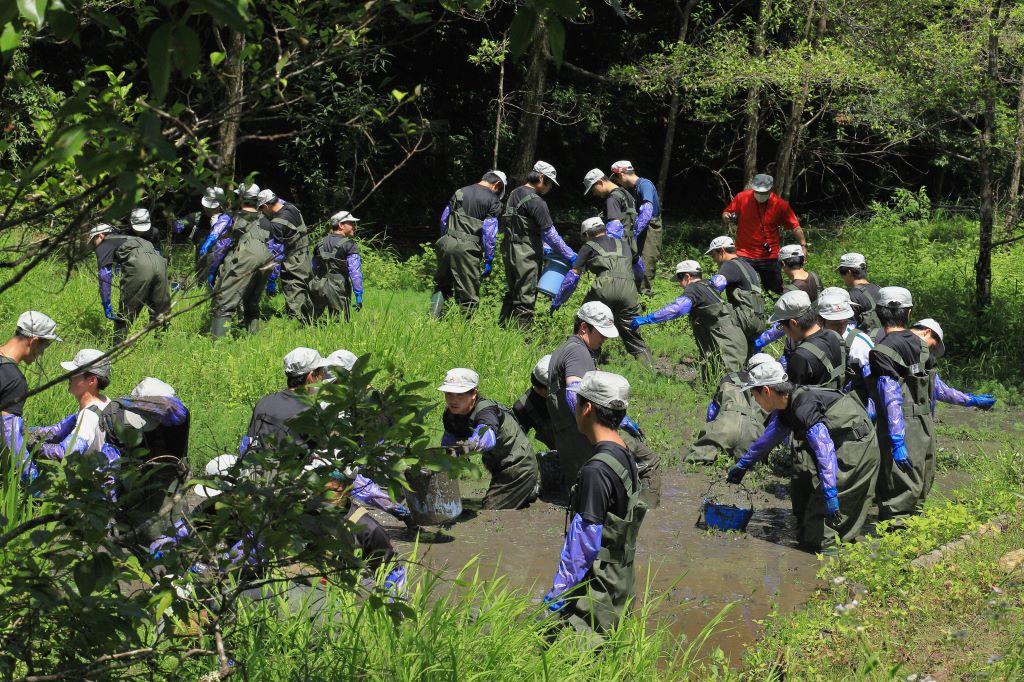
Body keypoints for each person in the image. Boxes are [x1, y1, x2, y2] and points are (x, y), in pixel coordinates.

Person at [869, 289, 997, 526]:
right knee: (919, 482)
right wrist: (970, 400)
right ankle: (907, 534)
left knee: (899, 484)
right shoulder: (920, 346)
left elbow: (891, 395)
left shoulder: (880, 347)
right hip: (919, 424)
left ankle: (895, 535)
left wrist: (896, 439)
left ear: (879, 312)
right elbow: (935, 387)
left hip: (900, 423)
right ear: (908, 313)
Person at [725, 358, 879, 552]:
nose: (753, 400)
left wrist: (830, 493)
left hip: (857, 447)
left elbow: (824, 449)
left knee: (823, 530)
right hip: (842, 443)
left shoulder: (802, 407)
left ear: (766, 390)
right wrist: (743, 464)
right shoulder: (787, 404)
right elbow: (769, 438)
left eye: (753, 394)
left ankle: (833, 567)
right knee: (810, 531)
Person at [542, 370, 648, 637]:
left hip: (596, 588)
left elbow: (584, 541)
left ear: (586, 407)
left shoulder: (597, 470)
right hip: (620, 580)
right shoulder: (624, 455)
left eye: (576, 403)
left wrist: (558, 592)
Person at [517, 353, 661, 506]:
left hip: (582, 460)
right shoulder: (529, 407)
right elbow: (518, 451)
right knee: (649, 461)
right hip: (586, 454)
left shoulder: (528, 405)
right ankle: (644, 510)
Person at [550, 217, 652, 365]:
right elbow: (639, 269)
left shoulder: (589, 246)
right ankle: (649, 372)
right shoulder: (625, 244)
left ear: (586, 235)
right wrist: (634, 286)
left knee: (584, 323)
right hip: (629, 291)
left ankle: (584, 364)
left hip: (603, 290)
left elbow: (573, 277)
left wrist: (559, 300)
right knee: (633, 337)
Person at [438, 368, 539, 510]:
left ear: (473, 393)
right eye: (448, 394)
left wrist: (463, 450)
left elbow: (486, 439)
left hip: (519, 465)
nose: (453, 400)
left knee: (490, 511)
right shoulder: (450, 415)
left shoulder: (487, 411)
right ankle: (524, 491)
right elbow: (448, 444)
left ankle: (529, 487)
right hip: (496, 465)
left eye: (459, 395)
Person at [547, 302, 621, 486]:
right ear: (583, 327)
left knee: (583, 488)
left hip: (569, 433)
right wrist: (598, 429)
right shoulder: (577, 351)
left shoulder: (568, 347)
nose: (605, 337)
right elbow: (574, 393)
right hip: (580, 434)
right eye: (601, 332)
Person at [630, 260, 747, 376]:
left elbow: (677, 308)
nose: (680, 284)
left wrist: (646, 319)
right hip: (736, 338)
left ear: (687, 276)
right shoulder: (709, 285)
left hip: (727, 343)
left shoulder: (694, 288)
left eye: (680, 280)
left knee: (731, 383)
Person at [499, 162, 575, 327]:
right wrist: (570, 255)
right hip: (526, 253)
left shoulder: (514, 193)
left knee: (513, 292)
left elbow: (522, 227)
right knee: (526, 294)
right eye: (549, 183)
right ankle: (523, 340)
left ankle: (502, 329)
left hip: (509, 248)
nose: (550, 188)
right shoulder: (536, 202)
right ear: (541, 177)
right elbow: (550, 234)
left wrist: (546, 249)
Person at [33, 349, 119, 473]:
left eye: (75, 373)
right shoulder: (105, 403)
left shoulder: (89, 415)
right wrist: (25, 432)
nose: (69, 376)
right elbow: (57, 429)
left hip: (87, 485)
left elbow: (65, 453)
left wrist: (34, 448)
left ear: (92, 380)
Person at [433, 171, 507, 317]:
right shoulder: (494, 201)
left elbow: (444, 218)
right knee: (469, 296)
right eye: (499, 191)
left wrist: (447, 240)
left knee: (442, 285)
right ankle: (465, 333)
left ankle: (431, 322)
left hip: (446, 243)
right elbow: (489, 233)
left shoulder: (459, 192)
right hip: (467, 249)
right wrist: (489, 257)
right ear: (497, 185)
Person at [0, 312, 61, 478]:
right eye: (44, 347)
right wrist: (34, 484)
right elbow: (11, 438)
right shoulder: (15, 381)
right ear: (33, 341)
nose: (41, 353)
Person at [722, 173, 806, 294]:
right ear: (753, 188)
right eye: (758, 192)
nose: (760, 195)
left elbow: (795, 226)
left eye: (764, 192)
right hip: (743, 253)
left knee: (775, 290)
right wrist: (726, 216)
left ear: (770, 189)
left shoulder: (779, 204)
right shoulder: (742, 198)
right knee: (741, 290)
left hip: (769, 256)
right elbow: (726, 213)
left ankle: (778, 310)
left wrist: (803, 245)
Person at [210, 183, 275, 338]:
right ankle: (253, 339)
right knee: (252, 302)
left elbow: (220, 245)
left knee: (224, 301)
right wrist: (273, 277)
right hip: (267, 258)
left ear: (241, 198)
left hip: (246, 255)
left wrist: (212, 269)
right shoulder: (266, 220)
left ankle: (218, 345)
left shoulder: (232, 217)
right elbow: (274, 247)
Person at [89, 222, 171, 344]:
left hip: (141, 266)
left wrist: (106, 303)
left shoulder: (104, 243)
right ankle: (162, 344)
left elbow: (104, 275)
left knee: (126, 310)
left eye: (92, 242)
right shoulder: (131, 238)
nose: (94, 247)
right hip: (161, 264)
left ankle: (116, 348)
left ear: (100, 236)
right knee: (161, 310)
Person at [240, 347, 331, 456]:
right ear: (311, 377)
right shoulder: (310, 410)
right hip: (291, 471)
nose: (323, 377)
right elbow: (325, 450)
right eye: (322, 372)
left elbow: (248, 443)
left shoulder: (263, 402)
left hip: (255, 469)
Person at [686, 353, 771, 464]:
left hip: (726, 425)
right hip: (754, 431)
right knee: (751, 467)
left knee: (696, 460)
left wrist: (713, 425)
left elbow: (712, 410)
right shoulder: (770, 389)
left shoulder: (730, 378)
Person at [770, 290, 846, 390]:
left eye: (781, 326)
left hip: (815, 405)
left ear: (793, 323)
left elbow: (792, 397)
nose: (783, 330)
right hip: (840, 401)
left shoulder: (800, 356)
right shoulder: (836, 336)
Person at [815, 287, 875, 406]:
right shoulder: (813, 339)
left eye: (843, 321)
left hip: (853, 409)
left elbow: (873, 384)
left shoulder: (858, 343)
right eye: (835, 322)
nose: (840, 326)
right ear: (820, 320)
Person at [705, 235, 766, 351]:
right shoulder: (747, 266)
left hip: (744, 319)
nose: (713, 259)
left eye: (713, 255)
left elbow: (715, 287)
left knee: (705, 315)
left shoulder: (729, 265)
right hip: (759, 320)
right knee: (749, 357)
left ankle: (713, 356)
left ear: (721, 251)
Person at [259, 190, 312, 320]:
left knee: (293, 285)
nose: (262, 212)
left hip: (293, 259)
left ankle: (297, 320)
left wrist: (271, 279)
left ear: (266, 206)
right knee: (305, 284)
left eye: (261, 209)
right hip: (305, 254)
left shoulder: (278, 223)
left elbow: (276, 254)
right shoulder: (290, 207)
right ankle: (310, 313)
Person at [610, 161, 662, 294]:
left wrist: (633, 234)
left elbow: (647, 210)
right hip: (640, 229)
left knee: (646, 264)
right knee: (634, 261)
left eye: (616, 179)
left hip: (650, 228)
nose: (617, 183)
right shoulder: (634, 189)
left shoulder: (644, 185)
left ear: (621, 175)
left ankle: (644, 300)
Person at [310, 210, 364, 322]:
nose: (354, 227)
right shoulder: (350, 245)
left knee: (315, 321)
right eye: (351, 223)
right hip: (339, 287)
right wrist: (358, 294)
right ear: (341, 225)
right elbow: (355, 272)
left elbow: (313, 267)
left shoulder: (319, 244)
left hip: (318, 285)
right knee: (340, 323)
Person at [583, 168, 640, 261]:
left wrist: (608, 254)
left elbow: (614, 229)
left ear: (599, 183)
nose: (594, 194)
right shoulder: (625, 193)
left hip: (620, 251)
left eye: (593, 189)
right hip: (632, 247)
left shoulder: (612, 199)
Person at [196, 187, 235, 287]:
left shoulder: (225, 217)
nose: (207, 209)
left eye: (210, 208)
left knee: (212, 278)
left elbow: (220, 240)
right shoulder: (202, 217)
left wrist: (212, 269)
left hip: (220, 252)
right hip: (213, 252)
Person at [838, 253, 882, 332]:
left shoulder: (852, 296)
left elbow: (849, 329)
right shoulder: (880, 290)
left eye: (841, 273)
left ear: (849, 272)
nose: (842, 277)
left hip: (866, 342)